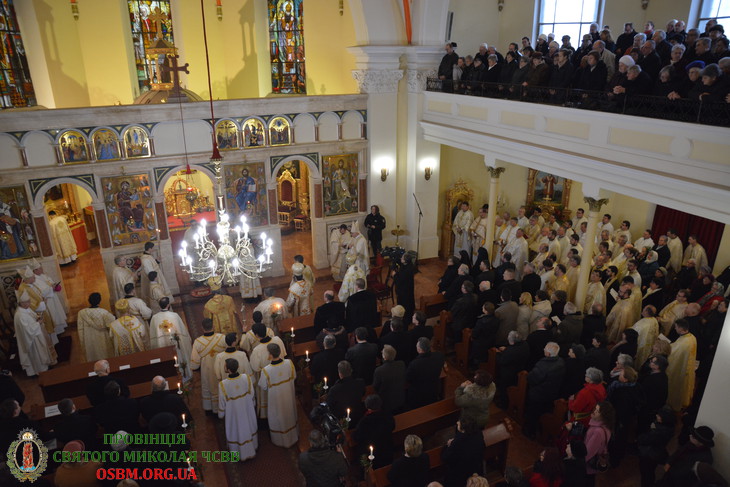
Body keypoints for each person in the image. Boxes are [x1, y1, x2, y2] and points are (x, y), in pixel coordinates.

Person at [218, 358, 258, 461]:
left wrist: (221, 414)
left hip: (233, 414)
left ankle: (238, 452)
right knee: (248, 427)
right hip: (247, 410)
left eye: (225, 365)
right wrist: (250, 404)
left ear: (228, 369)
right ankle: (252, 447)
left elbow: (222, 402)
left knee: (235, 430)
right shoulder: (246, 378)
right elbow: (252, 394)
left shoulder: (223, 384)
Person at [258, 343, 298, 447]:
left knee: (278, 417)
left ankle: (280, 440)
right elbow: (294, 376)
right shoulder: (289, 363)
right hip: (288, 397)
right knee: (289, 414)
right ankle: (293, 436)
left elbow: (263, 386)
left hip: (276, 400)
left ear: (270, 355)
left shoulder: (266, 370)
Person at [524, 342, 565, 438]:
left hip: (538, 395)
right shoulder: (561, 362)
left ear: (548, 354)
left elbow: (531, 378)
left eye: (545, 349)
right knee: (543, 413)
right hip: (551, 394)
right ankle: (542, 430)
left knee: (533, 414)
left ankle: (530, 432)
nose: (543, 350)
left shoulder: (543, 365)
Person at [13, 290, 56, 377]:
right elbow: (27, 330)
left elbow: (33, 316)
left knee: (42, 351)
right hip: (31, 340)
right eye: (28, 302)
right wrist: (38, 323)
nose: (29, 303)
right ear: (22, 303)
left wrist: (37, 317)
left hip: (36, 335)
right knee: (37, 355)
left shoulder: (26, 309)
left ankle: (45, 366)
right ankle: (40, 370)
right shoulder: (20, 315)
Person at [149, 297, 193, 381]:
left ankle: (169, 379)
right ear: (168, 305)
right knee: (179, 359)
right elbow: (183, 333)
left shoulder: (154, 318)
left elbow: (153, 336)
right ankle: (183, 378)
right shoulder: (174, 316)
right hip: (175, 345)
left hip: (162, 345)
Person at [249, 323, 286, 419]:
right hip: (281, 375)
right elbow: (284, 354)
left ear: (256, 335)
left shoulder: (257, 350)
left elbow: (255, 367)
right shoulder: (277, 340)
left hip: (267, 379)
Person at [190, 318, 226, 415]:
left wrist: (195, 367)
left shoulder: (198, 342)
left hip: (207, 370)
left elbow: (195, 362)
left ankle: (211, 408)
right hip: (221, 369)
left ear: (202, 328)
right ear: (213, 326)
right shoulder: (222, 338)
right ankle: (224, 406)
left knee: (208, 386)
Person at [442, 416, 485, 487]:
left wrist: (449, 445)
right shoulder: (478, 434)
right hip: (476, 468)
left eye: (459, 424)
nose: (457, 423)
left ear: (464, 430)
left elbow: (445, 457)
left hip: (460, 475)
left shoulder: (458, 442)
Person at [354, 394, 395, 469]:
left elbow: (356, 437)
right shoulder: (387, 415)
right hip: (387, 450)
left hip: (372, 454)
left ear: (367, 407)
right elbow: (393, 427)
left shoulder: (365, 421)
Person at [666, 319, 697, 411]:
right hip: (687, 367)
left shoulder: (684, 343)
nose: (675, 328)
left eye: (676, 327)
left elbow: (672, 353)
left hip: (680, 369)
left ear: (680, 329)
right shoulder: (692, 337)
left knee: (676, 387)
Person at [407, 337, 445, 409]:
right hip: (433, 391)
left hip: (418, 395)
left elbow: (409, 378)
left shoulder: (414, 364)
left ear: (420, 350)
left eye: (417, 346)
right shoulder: (439, 356)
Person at [76, 292, 115, 362]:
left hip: (89, 340)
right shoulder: (104, 312)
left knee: (92, 357)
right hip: (103, 338)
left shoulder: (81, 313)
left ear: (89, 301)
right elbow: (112, 324)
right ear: (99, 301)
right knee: (105, 356)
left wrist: (82, 343)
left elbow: (80, 330)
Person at [326, 360, 365, 427]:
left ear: (340, 373)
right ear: (351, 371)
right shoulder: (360, 383)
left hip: (342, 420)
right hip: (358, 416)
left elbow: (329, 404)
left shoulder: (334, 389)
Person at [584, 401, 614, 486]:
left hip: (588, 467)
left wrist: (576, 462)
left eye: (597, 411)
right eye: (595, 409)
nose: (594, 412)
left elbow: (587, 453)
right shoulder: (604, 426)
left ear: (603, 416)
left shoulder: (598, 432)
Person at [373, 344, 406, 414]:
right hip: (400, 398)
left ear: (384, 357)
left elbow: (376, 387)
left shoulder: (379, 370)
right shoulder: (401, 364)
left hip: (386, 403)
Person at [393, 252, 416, 323]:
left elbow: (399, 281)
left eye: (402, 258)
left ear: (405, 261)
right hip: (407, 289)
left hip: (404, 291)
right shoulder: (408, 264)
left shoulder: (407, 271)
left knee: (405, 305)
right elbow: (399, 261)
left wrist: (394, 275)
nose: (401, 258)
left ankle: (404, 319)